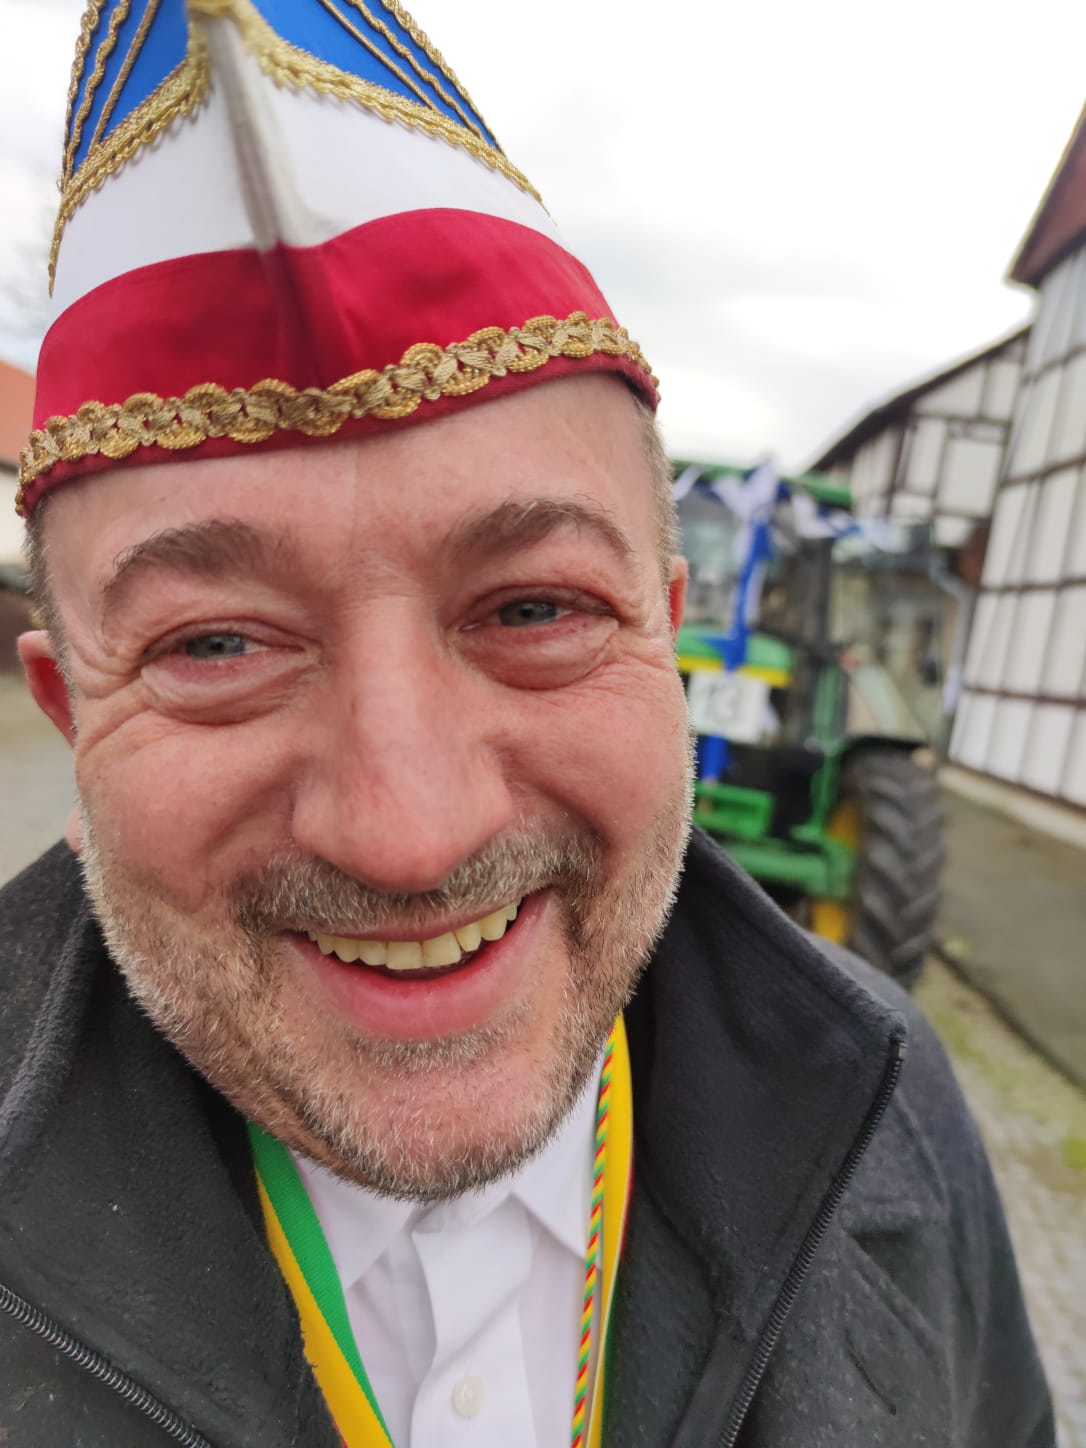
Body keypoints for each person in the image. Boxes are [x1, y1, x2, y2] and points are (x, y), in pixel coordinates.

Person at [0, 3, 1053, 1445]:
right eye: (217, 644)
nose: (410, 835)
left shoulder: (897, 1102)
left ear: (665, 635)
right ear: (70, 713)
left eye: (535, 610)